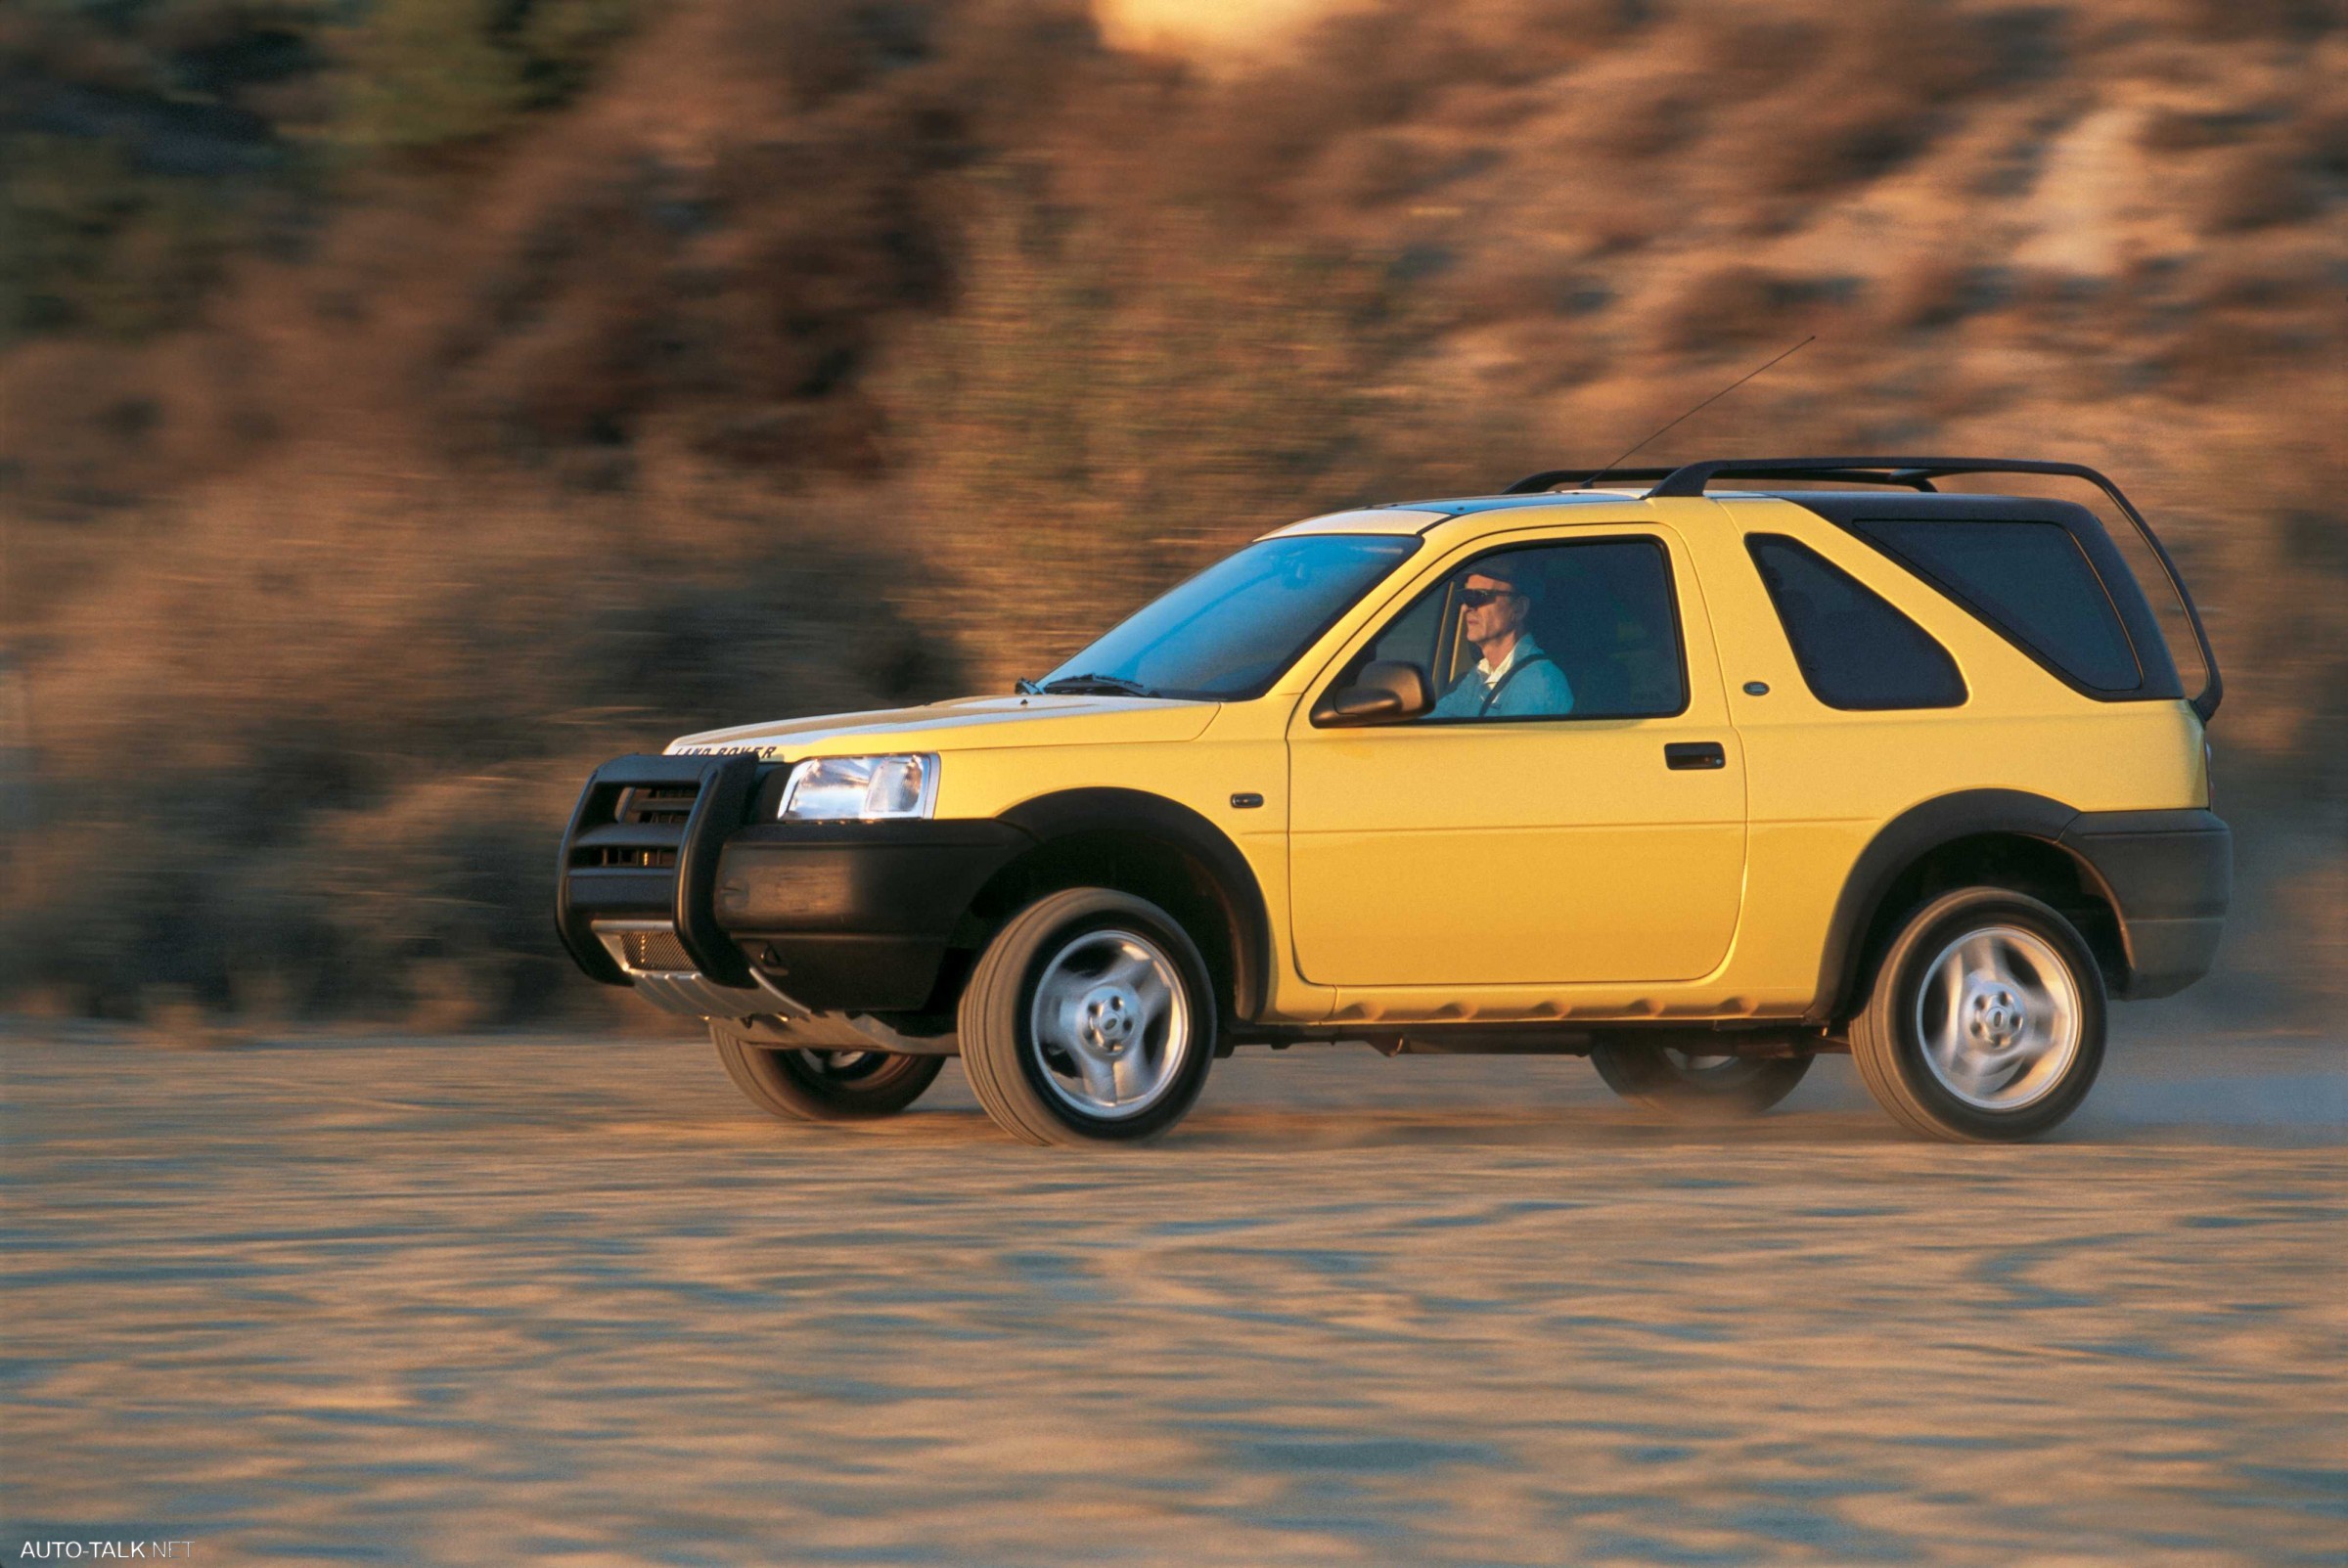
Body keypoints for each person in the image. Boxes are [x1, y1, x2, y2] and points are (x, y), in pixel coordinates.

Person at [1430, 565, 1575, 719]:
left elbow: (1506, 743)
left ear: (1519, 609)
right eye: (1465, 597)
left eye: (1479, 596)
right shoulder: (1480, 674)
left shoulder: (1536, 682)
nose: (1466, 607)